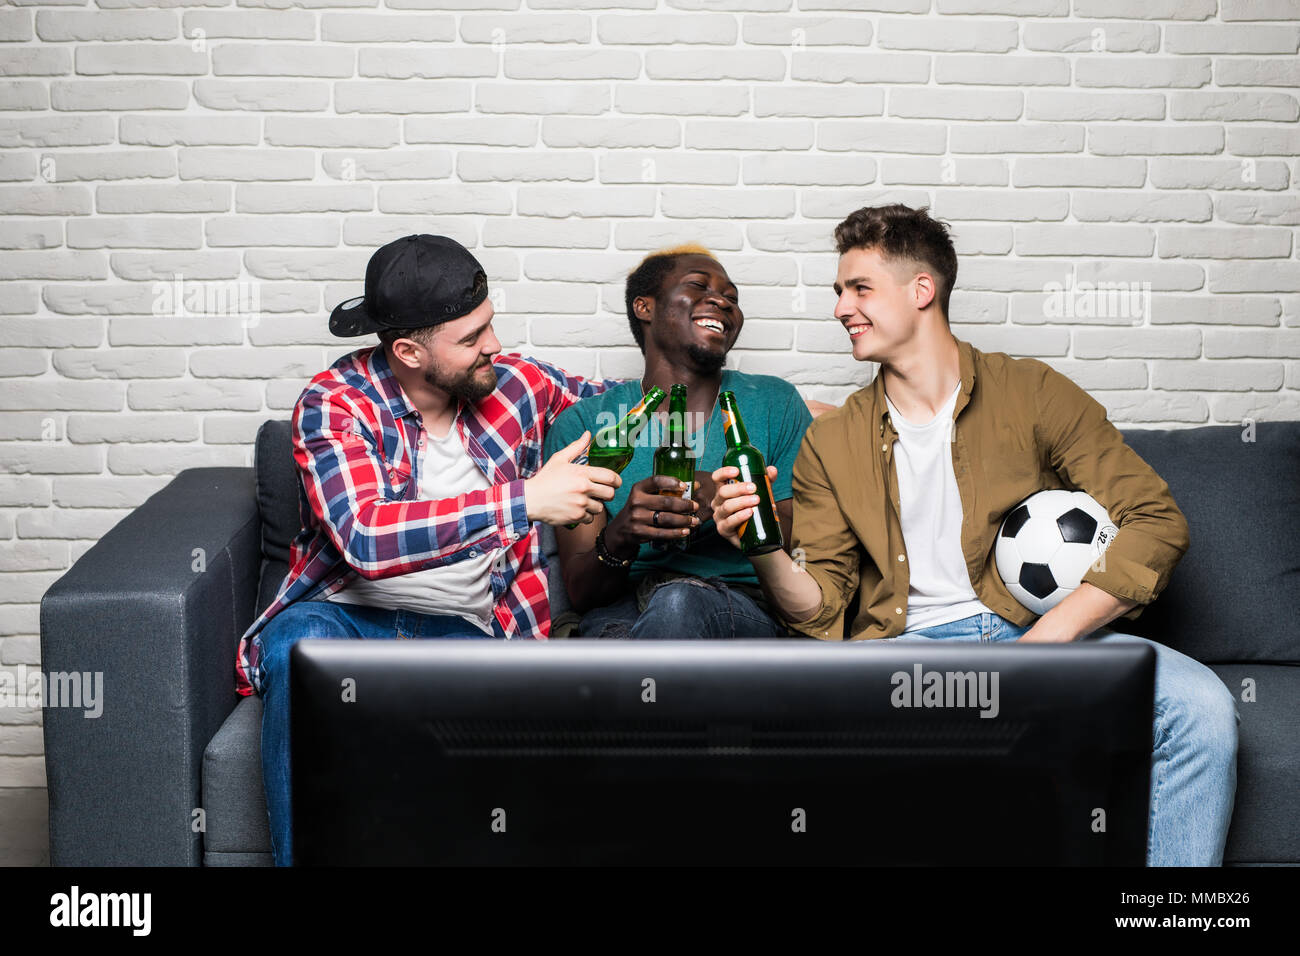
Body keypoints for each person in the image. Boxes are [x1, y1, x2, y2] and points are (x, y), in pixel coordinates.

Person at [709, 204, 1239, 867]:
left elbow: (1156, 521)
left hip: (1032, 633)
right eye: (839, 292)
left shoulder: (1034, 392)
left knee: (1199, 710)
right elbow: (818, 614)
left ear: (921, 290)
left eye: (859, 288)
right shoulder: (829, 442)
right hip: (901, 654)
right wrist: (764, 549)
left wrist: (1047, 644)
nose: (841, 307)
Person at [235, 234, 623, 865]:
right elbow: (364, 534)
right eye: (471, 339)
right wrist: (523, 499)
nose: (493, 345)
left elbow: (629, 406)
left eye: (489, 325)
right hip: (340, 617)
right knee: (298, 651)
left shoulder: (516, 386)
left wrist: (773, 409)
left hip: (463, 630)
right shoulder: (336, 405)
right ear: (409, 351)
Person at [542, 244, 816, 640]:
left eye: (732, 297)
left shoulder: (775, 403)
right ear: (645, 307)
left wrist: (737, 507)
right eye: (698, 285)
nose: (722, 300)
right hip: (622, 612)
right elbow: (583, 593)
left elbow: (804, 548)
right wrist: (624, 533)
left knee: (677, 604)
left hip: (739, 606)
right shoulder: (585, 427)